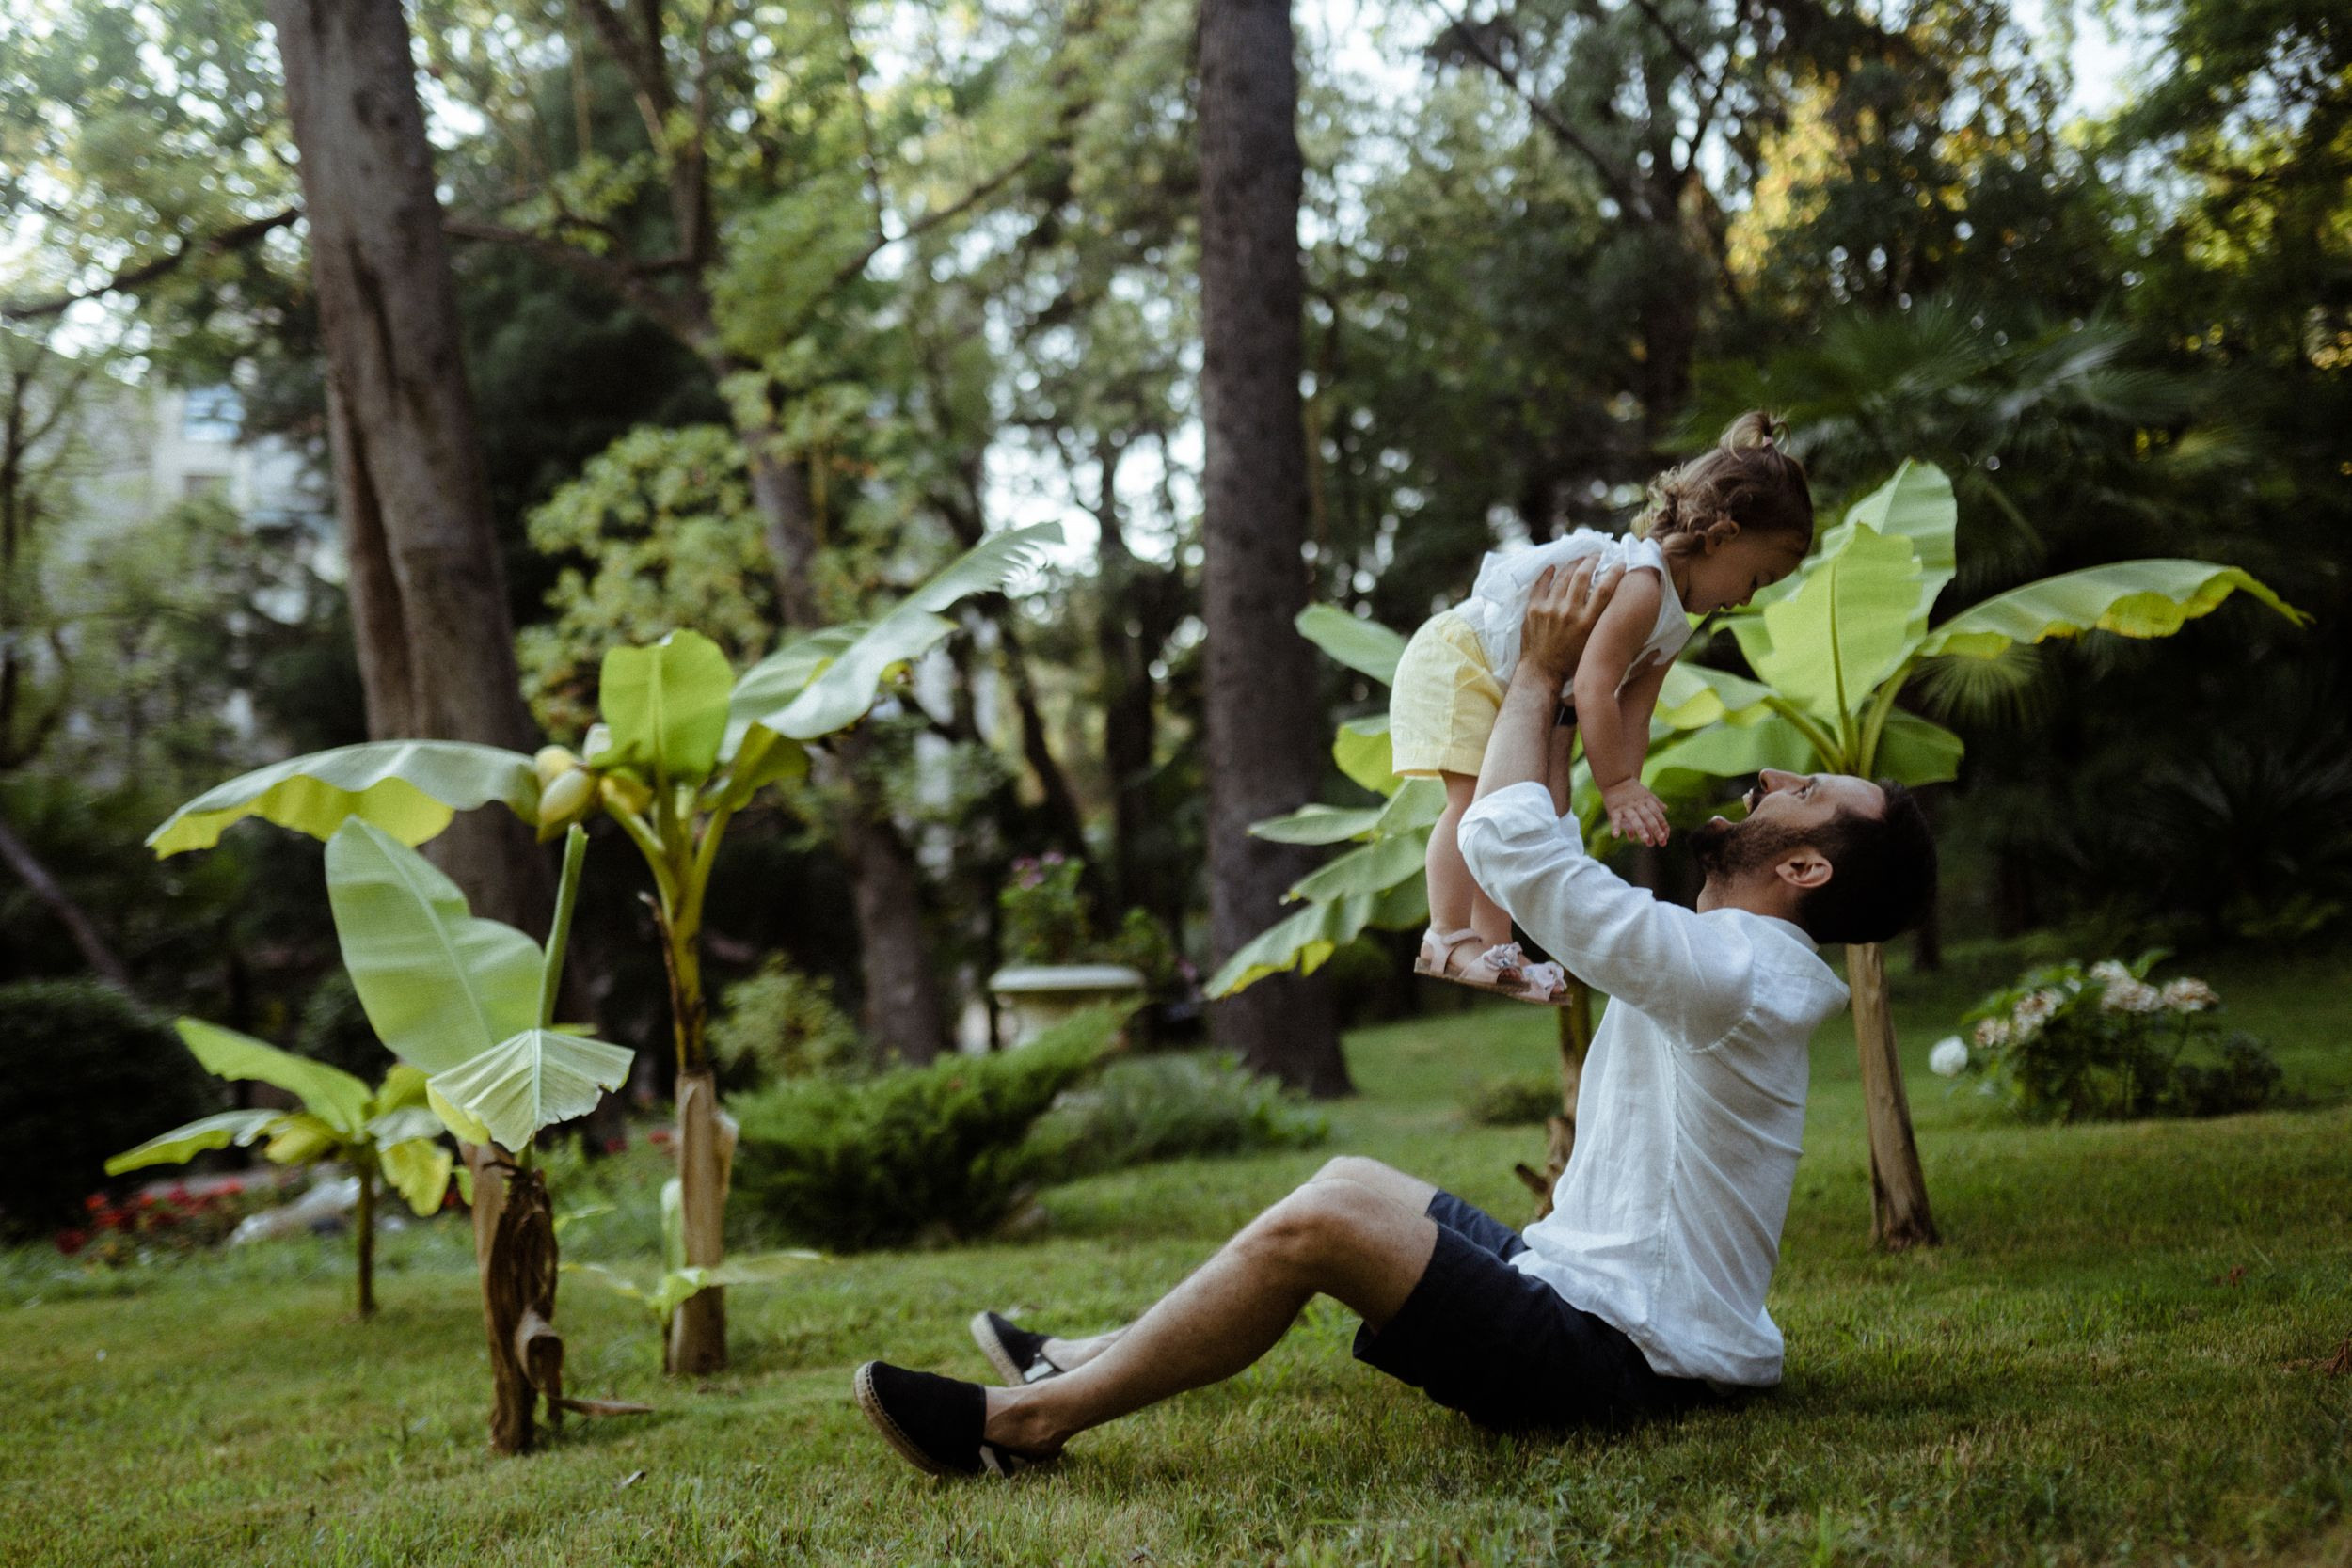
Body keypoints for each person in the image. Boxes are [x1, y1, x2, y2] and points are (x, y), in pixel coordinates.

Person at [850, 556, 1938, 1479]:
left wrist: (1539, 670)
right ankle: (1078, 1356)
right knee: (1348, 1184)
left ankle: (1023, 1424)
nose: (1775, 772)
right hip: (1584, 1289)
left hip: (1629, 1361)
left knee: (1319, 1231)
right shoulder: (1730, 956)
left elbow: (1511, 846)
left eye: (1809, 791)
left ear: (1801, 863)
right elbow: (1538, 839)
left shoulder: (1736, 969)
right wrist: (1554, 706)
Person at [1391, 410, 1816, 1002]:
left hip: (1518, 685)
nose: (1746, 598)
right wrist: (1614, 784)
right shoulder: (1642, 584)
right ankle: (1444, 936)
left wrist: (1631, 788)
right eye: (1756, 577)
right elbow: (1593, 686)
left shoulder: (1675, 619)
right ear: (1722, 538)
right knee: (1471, 803)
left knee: (1517, 808)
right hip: (1461, 658)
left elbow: (1633, 710)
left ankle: (1492, 946)